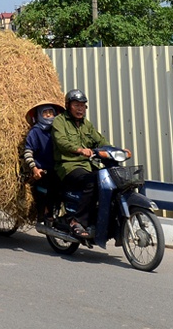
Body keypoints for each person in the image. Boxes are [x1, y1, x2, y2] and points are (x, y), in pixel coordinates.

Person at [51, 88, 112, 238]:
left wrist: (114, 150)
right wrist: (79, 150)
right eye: (76, 105)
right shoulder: (60, 121)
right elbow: (61, 142)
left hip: (88, 165)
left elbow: (100, 140)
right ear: (68, 105)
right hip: (68, 166)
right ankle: (77, 221)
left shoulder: (87, 125)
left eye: (83, 105)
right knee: (92, 181)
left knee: (108, 180)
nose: (80, 109)